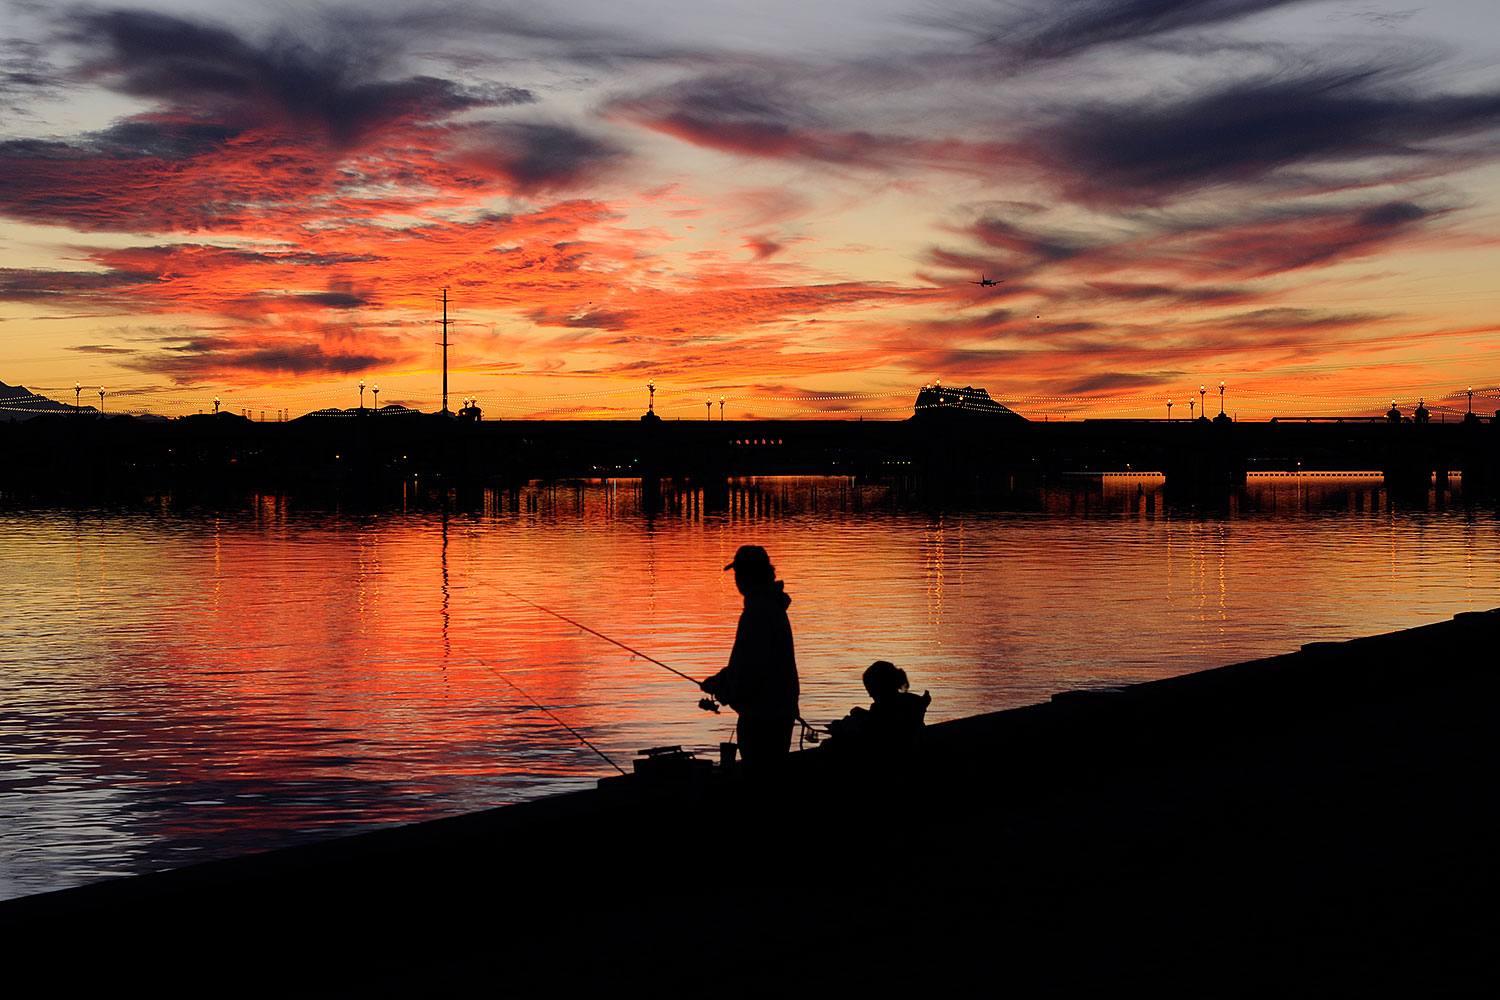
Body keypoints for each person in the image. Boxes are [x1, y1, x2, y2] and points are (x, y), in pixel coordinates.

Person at [701, 545, 799, 766]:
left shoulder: (757, 613)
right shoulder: (771, 607)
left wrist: (725, 692)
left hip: (762, 717)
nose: (736, 579)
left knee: (759, 780)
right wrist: (722, 678)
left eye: (738, 573)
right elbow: (753, 661)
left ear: (748, 575)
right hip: (779, 711)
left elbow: (752, 671)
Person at [826, 661, 931, 751]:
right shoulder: (912, 701)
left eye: (871, 690)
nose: (870, 695)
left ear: (881, 687)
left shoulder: (882, 709)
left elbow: (881, 730)